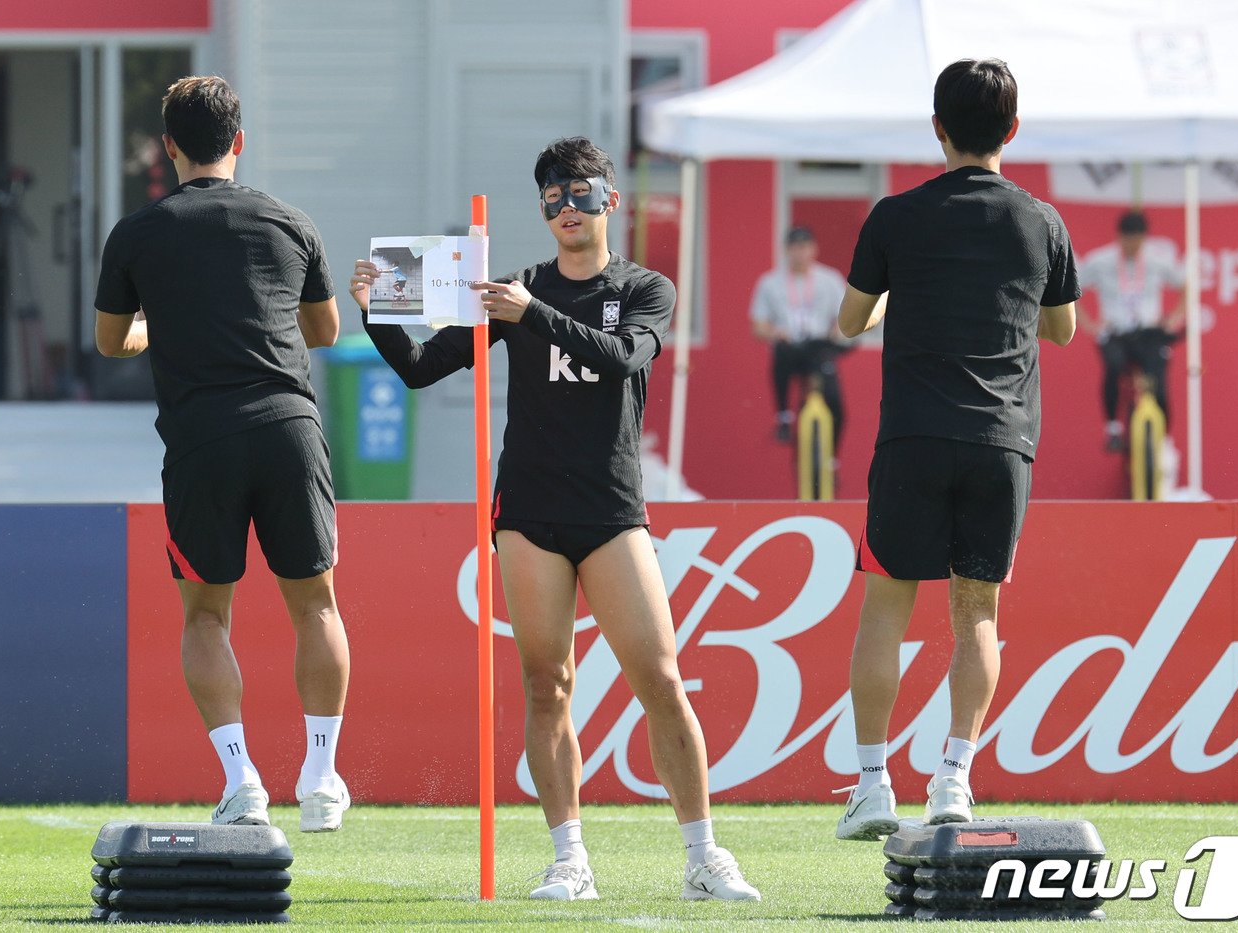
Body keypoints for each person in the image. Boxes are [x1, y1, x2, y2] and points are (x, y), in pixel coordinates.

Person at [347, 137, 760, 903]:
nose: (565, 207)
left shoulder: (642, 286)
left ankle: (704, 854)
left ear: (611, 200)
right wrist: (375, 313)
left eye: (579, 191)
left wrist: (533, 315)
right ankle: (569, 856)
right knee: (547, 683)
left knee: (662, 679)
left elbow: (625, 357)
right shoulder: (512, 289)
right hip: (530, 512)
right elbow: (418, 368)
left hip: (610, 509)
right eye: (551, 196)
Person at [95, 75, 352, 833]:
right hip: (288, 427)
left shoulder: (138, 233)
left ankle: (242, 780)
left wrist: (158, 329)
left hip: (202, 438)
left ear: (168, 147)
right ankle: (322, 772)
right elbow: (326, 330)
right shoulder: (289, 221)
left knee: (207, 616)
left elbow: (113, 341)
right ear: (239, 141)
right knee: (317, 605)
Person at [833, 59, 1079, 840]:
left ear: (936, 127)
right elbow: (1061, 328)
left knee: (886, 606)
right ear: (1012, 130)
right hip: (1001, 442)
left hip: (912, 438)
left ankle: (873, 785)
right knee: (976, 611)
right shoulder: (1041, 222)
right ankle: (954, 779)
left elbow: (849, 320)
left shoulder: (895, 217)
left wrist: (906, 294)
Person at [1076, 210, 1186, 451]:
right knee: (1113, 365)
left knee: (1159, 385)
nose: (1133, 245)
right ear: (1120, 237)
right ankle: (1113, 428)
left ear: (1144, 238)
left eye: (1138, 240)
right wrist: (1089, 324)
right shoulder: (1100, 260)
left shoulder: (1157, 261)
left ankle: (1163, 441)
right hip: (1116, 333)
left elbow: (1185, 287)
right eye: (1128, 239)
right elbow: (1072, 289)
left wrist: (1174, 319)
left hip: (1148, 333)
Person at [748, 226, 849, 444]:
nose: (799, 253)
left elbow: (844, 317)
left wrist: (837, 333)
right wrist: (774, 332)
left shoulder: (830, 279)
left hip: (818, 347)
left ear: (814, 249)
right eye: (794, 247)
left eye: (804, 247)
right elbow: (758, 325)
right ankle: (783, 416)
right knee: (781, 356)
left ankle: (831, 458)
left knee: (834, 399)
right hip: (790, 346)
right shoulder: (770, 282)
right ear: (786, 250)